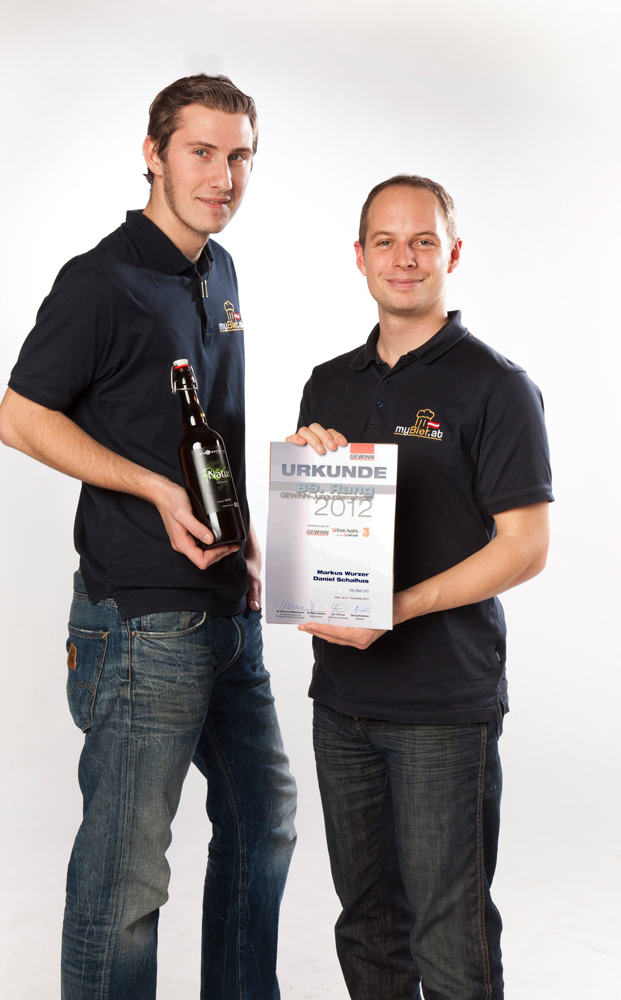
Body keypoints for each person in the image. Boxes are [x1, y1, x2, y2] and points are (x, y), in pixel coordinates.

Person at [0, 74, 297, 1000]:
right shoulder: (100, 280)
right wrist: (153, 488)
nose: (223, 176)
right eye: (201, 152)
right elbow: (19, 417)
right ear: (153, 154)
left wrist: (246, 537)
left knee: (264, 819)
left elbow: (207, 428)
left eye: (240, 156)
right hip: (139, 621)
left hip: (226, 609)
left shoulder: (221, 270)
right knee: (127, 876)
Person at [287, 175, 552, 1000]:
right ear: (359, 256)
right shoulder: (328, 382)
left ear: (453, 253)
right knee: (367, 925)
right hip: (342, 701)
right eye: (386, 242)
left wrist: (397, 608)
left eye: (423, 241)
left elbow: (526, 548)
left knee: (449, 935)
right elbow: (316, 532)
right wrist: (307, 477)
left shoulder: (496, 386)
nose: (404, 258)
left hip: (443, 708)